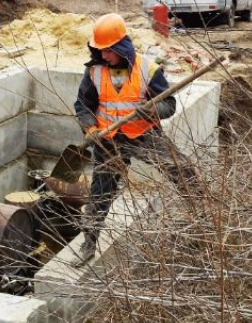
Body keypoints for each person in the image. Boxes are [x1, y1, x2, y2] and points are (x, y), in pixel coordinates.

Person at [73, 13, 196, 262]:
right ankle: (88, 244)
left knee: (182, 170)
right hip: (108, 140)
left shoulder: (147, 69)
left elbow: (169, 105)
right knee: (100, 193)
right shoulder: (95, 72)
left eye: (108, 50)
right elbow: (83, 105)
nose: (104, 55)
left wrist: (153, 109)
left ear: (121, 46)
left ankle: (204, 218)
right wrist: (91, 129)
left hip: (143, 134)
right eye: (100, 50)